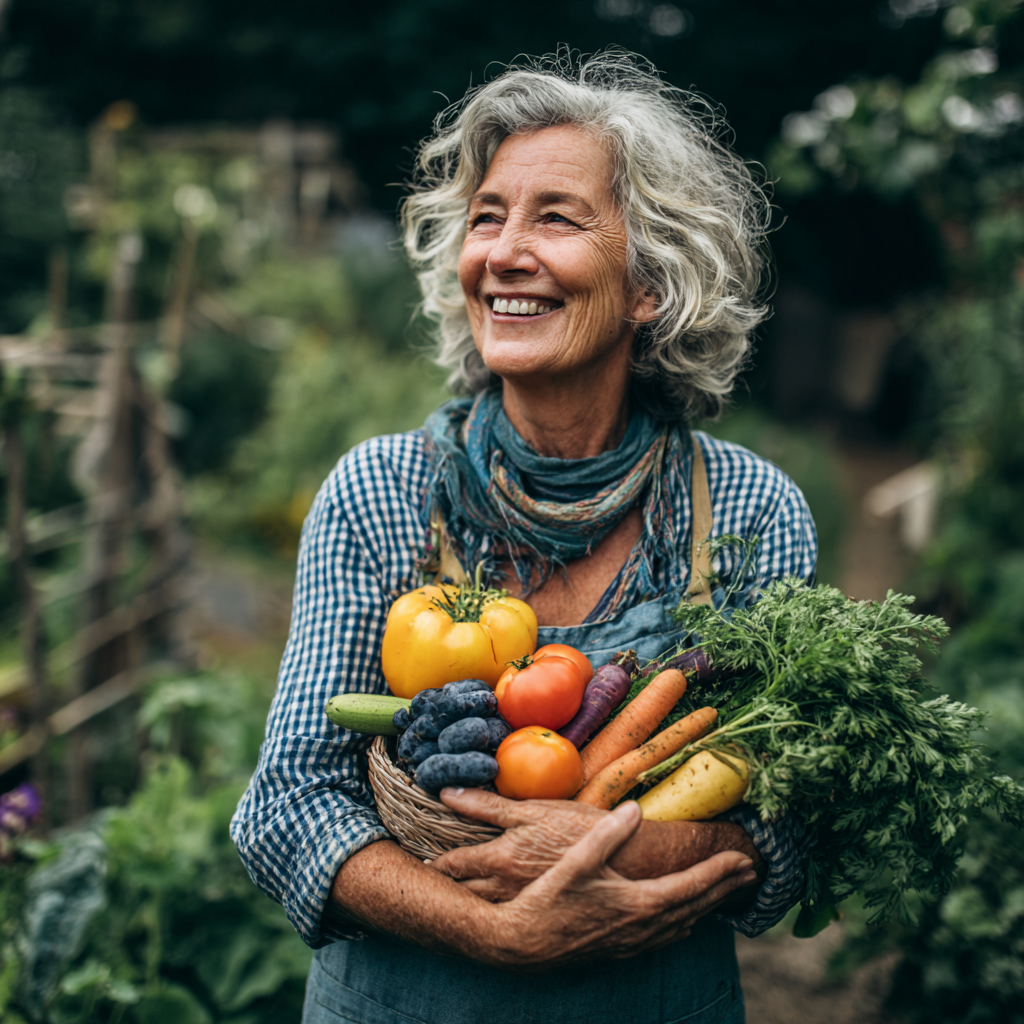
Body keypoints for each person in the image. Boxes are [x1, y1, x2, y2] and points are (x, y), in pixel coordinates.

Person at [231, 51, 818, 1024]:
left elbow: (787, 827)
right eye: (487, 215)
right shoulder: (381, 493)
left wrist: (599, 851)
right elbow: (287, 809)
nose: (502, 250)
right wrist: (498, 930)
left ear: (650, 284)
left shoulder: (750, 513)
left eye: (556, 216)